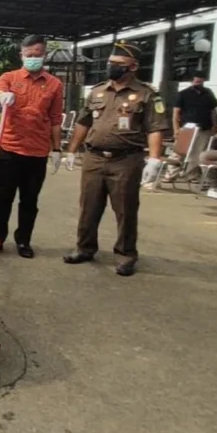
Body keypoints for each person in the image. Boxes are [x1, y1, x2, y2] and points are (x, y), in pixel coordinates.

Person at [61, 41, 170, 276]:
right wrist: (71, 150)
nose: (112, 67)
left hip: (126, 160)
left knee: (125, 209)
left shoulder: (147, 94)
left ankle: (126, 254)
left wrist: (154, 158)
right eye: (111, 63)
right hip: (94, 158)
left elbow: (155, 128)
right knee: (88, 207)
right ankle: (85, 248)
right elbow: (83, 122)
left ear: (133, 66)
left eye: (119, 64)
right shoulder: (98, 91)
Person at [0, 35, 64, 257]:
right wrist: (2, 96)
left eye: (37, 55)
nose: (33, 59)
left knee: (29, 201)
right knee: (3, 198)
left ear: (44, 55)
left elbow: (56, 119)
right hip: (9, 151)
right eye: (29, 55)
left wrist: (57, 149)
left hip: (37, 153)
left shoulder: (54, 84)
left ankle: (23, 241)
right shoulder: (10, 78)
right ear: (21, 55)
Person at [169, 70, 217, 179]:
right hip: (187, 127)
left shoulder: (208, 93)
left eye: (200, 82)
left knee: (198, 153)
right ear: (192, 81)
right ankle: (171, 174)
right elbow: (176, 113)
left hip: (204, 127)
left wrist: (215, 126)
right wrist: (176, 129)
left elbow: (213, 111)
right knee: (179, 152)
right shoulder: (183, 94)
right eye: (196, 82)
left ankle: (192, 175)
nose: (198, 84)